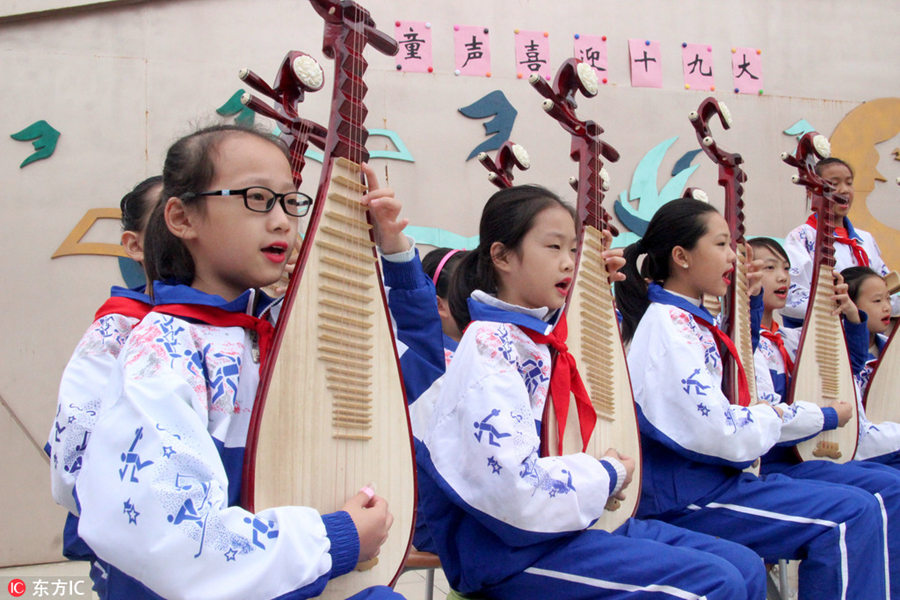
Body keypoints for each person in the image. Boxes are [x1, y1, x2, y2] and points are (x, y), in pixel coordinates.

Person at [72, 124, 403, 600]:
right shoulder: (164, 349)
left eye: (291, 202)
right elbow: (176, 540)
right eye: (256, 198)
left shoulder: (273, 331)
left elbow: (408, 382)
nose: (282, 221)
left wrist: (392, 255)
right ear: (182, 218)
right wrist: (336, 538)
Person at [416, 185, 769, 600]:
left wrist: (591, 289)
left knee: (744, 566)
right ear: (502, 256)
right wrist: (606, 473)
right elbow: (514, 489)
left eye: (572, 250)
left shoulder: (535, 337)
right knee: (714, 582)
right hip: (513, 553)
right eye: (553, 247)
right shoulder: (490, 347)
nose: (568, 262)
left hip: (566, 527)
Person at [616, 198, 887, 599]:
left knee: (862, 506)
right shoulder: (666, 329)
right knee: (849, 516)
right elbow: (718, 431)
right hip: (686, 494)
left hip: (716, 479)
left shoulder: (688, 320)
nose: (733, 257)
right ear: (681, 257)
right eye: (722, 245)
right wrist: (801, 415)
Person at [749, 237, 900, 597]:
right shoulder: (749, 344)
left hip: (804, 455)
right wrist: (828, 416)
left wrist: (850, 316)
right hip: (772, 464)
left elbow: (842, 373)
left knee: (891, 486)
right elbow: (770, 416)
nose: (782, 276)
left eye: (785, 267)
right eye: (769, 268)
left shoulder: (789, 337)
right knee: (875, 497)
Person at [48, 175, 162, 567]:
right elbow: (72, 457)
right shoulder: (120, 329)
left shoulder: (249, 319)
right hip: (139, 556)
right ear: (134, 245)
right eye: (171, 218)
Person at [782, 157, 899, 326]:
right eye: (833, 183)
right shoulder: (801, 237)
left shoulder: (864, 239)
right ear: (811, 190)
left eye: (849, 183)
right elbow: (789, 296)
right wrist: (844, 307)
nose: (844, 190)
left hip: (867, 335)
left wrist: (877, 304)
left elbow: (887, 291)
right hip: (824, 336)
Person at [841, 266, 900, 466]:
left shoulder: (892, 351)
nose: (886, 307)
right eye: (877, 301)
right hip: (860, 452)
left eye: (888, 299)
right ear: (848, 305)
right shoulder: (840, 355)